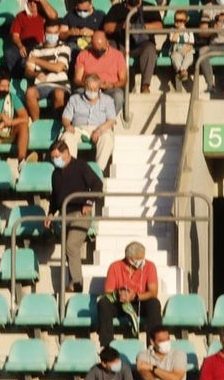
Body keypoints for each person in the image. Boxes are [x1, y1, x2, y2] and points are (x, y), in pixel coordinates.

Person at [47, 140, 104, 293]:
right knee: (67, 249)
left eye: (57, 156)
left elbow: (97, 185)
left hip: (81, 213)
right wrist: (51, 214)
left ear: (66, 153)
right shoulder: (55, 174)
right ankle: (73, 281)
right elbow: (55, 197)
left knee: (72, 246)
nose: (55, 160)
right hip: (65, 215)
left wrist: (89, 202)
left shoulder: (81, 167)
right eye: (52, 158)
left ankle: (77, 284)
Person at [97, 241, 162, 346]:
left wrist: (135, 296)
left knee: (154, 303)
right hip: (120, 303)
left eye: (143, 258)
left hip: (139, 302)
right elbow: (108, 291)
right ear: (129, 259)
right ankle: (107, 346)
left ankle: (154, 345)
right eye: (138, 259)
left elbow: (153, 292)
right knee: (104, 303)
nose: (141, 262)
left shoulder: (150, 266)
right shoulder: (115, 266)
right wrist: (120, 294)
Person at [61, 75, 117, 171]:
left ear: (99, 88)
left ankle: (98, 171)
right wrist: (68, 125)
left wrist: (99, 130)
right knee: (67, 137)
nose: (92, 91)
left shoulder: (107, 100)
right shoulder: (74, 99)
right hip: (79, 129)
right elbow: (65, 117)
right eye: (89, 88)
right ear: (84, 87)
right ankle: (70, 171)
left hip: (100, 128)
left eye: (95, 89)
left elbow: (111, 120)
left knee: (107, 139)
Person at [23, 21, 72, 123]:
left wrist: (37, 60)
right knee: (30, 92)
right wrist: (36, 74)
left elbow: (58, 68)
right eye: (50, 32)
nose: (52, 35)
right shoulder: (35, 50)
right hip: (41, 85)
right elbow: (28, 71)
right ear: (44, 32)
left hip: (60, 85)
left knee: (59, 93)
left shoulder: (64, 48)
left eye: (55, 33)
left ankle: (57, 124)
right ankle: (36, 123)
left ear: (59, 32)